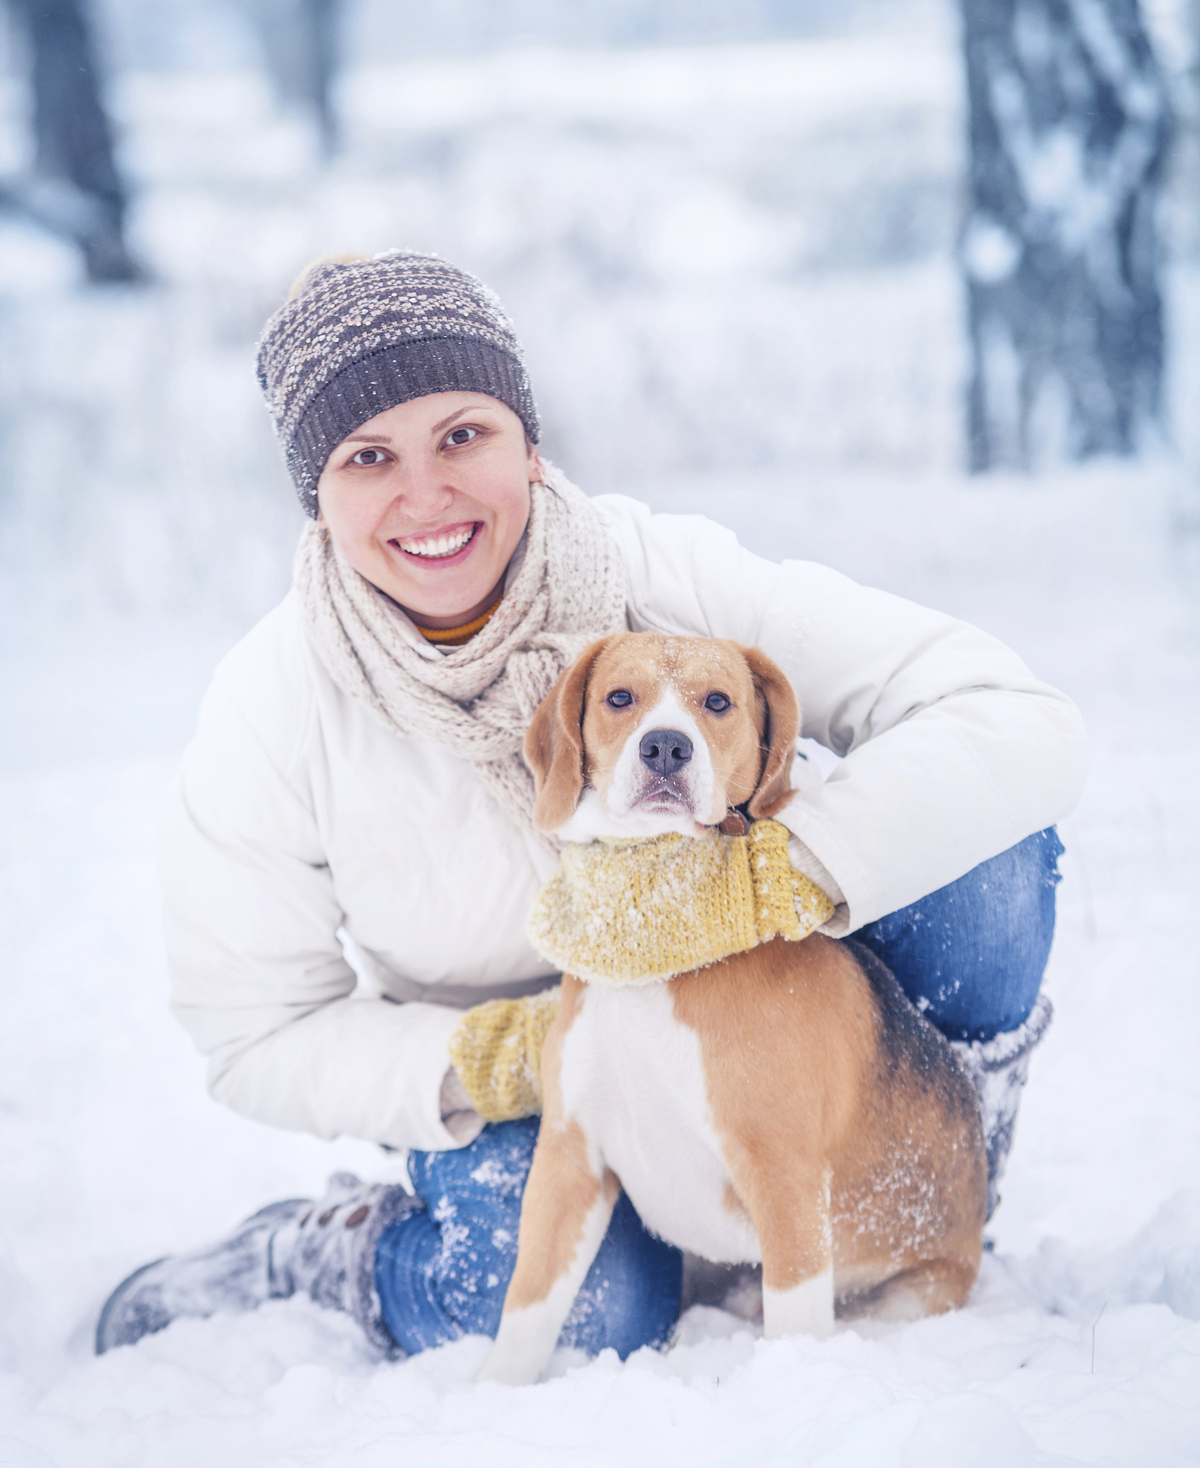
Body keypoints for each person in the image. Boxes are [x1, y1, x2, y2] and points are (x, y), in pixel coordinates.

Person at [96, 250, 1085, 1359]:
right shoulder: (272, 705)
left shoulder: (664, 574)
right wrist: (495, 1056)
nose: (426, 496)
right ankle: (335, 1256)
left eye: (463, 435)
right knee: (594, 1317)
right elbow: (251, 1033)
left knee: (985, 850)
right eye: (368, 458)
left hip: (773, 1011)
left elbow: (1013, 715)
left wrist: (786, 870)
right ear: (315, 499)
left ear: (529, 440)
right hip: (539, 1074)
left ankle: (939, 1167)